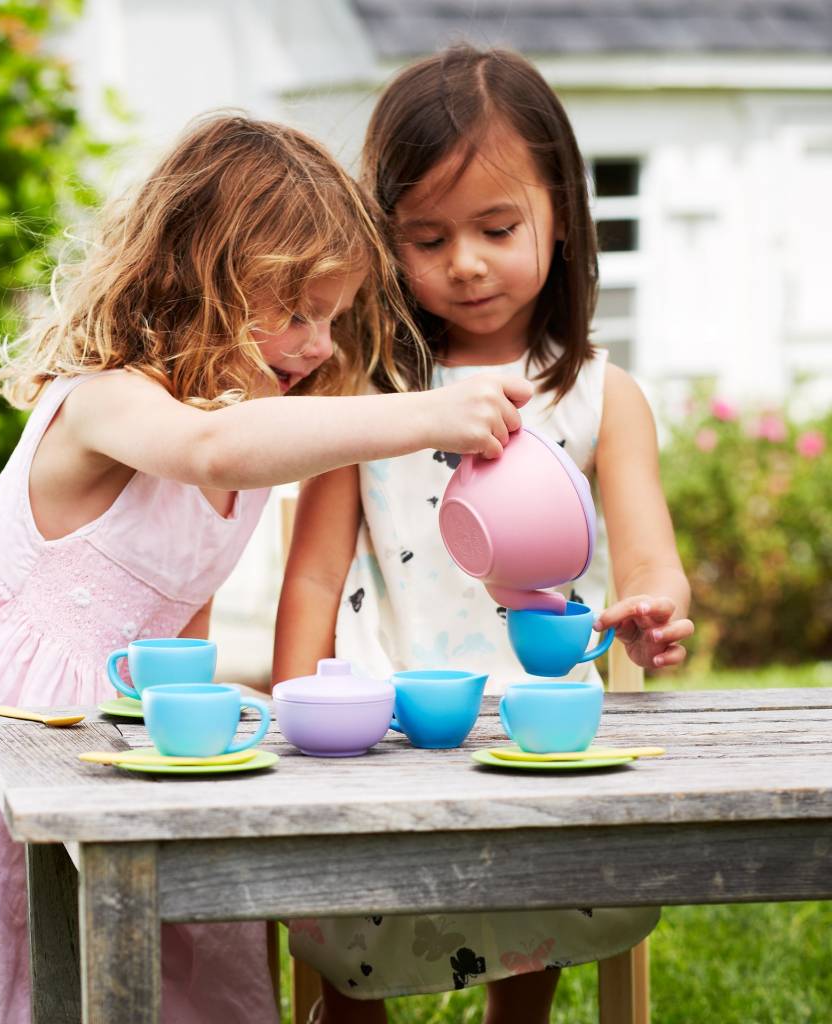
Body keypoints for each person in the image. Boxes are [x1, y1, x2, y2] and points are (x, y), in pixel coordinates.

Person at [0, 114, 537, 1024]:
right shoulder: (108, 399)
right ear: (205, 280)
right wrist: (427, 415)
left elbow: (183, 613)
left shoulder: (246, 446)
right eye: (297, 312)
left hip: (121, 750)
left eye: (334, 318)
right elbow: (210, 449)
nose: (318, 345)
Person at [274, 47, 694, 1024]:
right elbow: (312, 574)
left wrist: (652, 613)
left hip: (537, 729)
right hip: (374, 728)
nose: (463, 261)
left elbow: (648, 561)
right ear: (384, 242)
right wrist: (294, 714)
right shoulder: (366, 396)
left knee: (537, 903)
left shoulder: (596, 391)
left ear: (561, 215)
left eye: (497, 227)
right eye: (425, 237)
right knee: (344, 932)